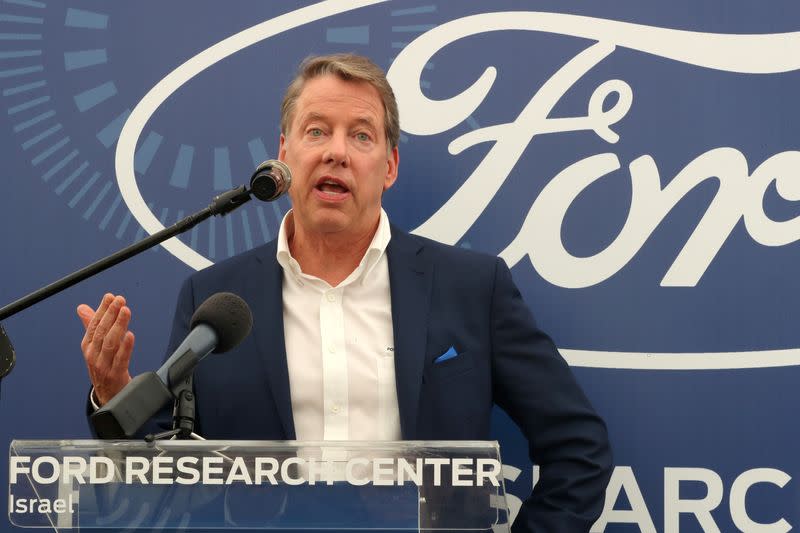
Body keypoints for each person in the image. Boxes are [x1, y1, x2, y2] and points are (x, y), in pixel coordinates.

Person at [78, 53, 612, 531]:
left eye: (361, 135)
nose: (336, 152)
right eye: (316, 131)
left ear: (390, 165)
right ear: (282, 157)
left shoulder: (473, 287)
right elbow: (172, 474)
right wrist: (116, 397)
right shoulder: (217, 299)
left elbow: (579, 449)